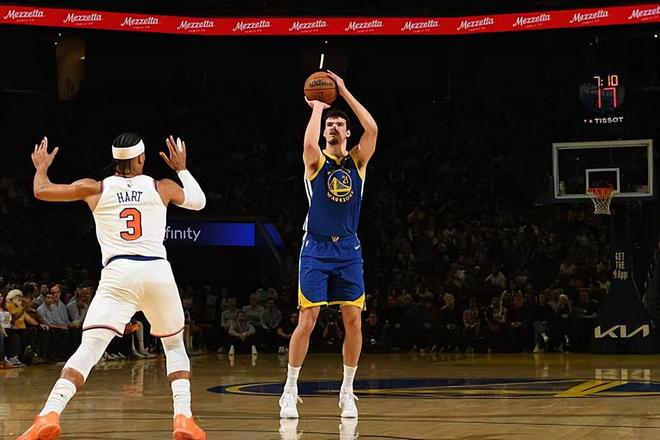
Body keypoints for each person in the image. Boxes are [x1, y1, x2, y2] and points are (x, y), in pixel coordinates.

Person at [18, 133, 206, 440]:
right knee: (174, 346)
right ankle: (183, 418)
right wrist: (182, 168)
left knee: (89, 349)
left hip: (118, 273)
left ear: (116, 160)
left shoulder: (95, 187)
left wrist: (41, 168)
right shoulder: (162, 186)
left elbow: (42, 191)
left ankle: (49, 414)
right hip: (156, 270)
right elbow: (198, 202)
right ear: (141, 158)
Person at [279, 70, 378, 419]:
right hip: (316, 249)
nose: (334, 127)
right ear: (324, 132)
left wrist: (344, 91)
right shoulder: (316, 162)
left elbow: (373, 129)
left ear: (347, 132)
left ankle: (347, 391)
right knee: (307, 320)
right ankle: (289, 390)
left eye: (340, 124)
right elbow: (308, 146)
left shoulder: (357, 162)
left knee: (354, 320)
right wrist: (318, 108)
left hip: (348, 249)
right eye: (330, 125)